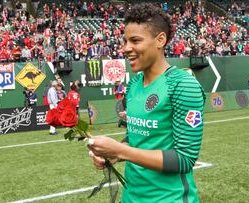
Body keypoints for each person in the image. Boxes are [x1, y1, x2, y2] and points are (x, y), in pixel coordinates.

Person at [88, 3, 205, 203]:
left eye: (135, 41)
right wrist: (114, 153)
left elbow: (184, 158)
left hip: (170, 198)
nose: (126, 48)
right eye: (125, 41)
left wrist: (120, 150)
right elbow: (137, 136)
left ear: (160, 40)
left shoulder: (183, 85)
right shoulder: (133, 84)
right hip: (131, 197)